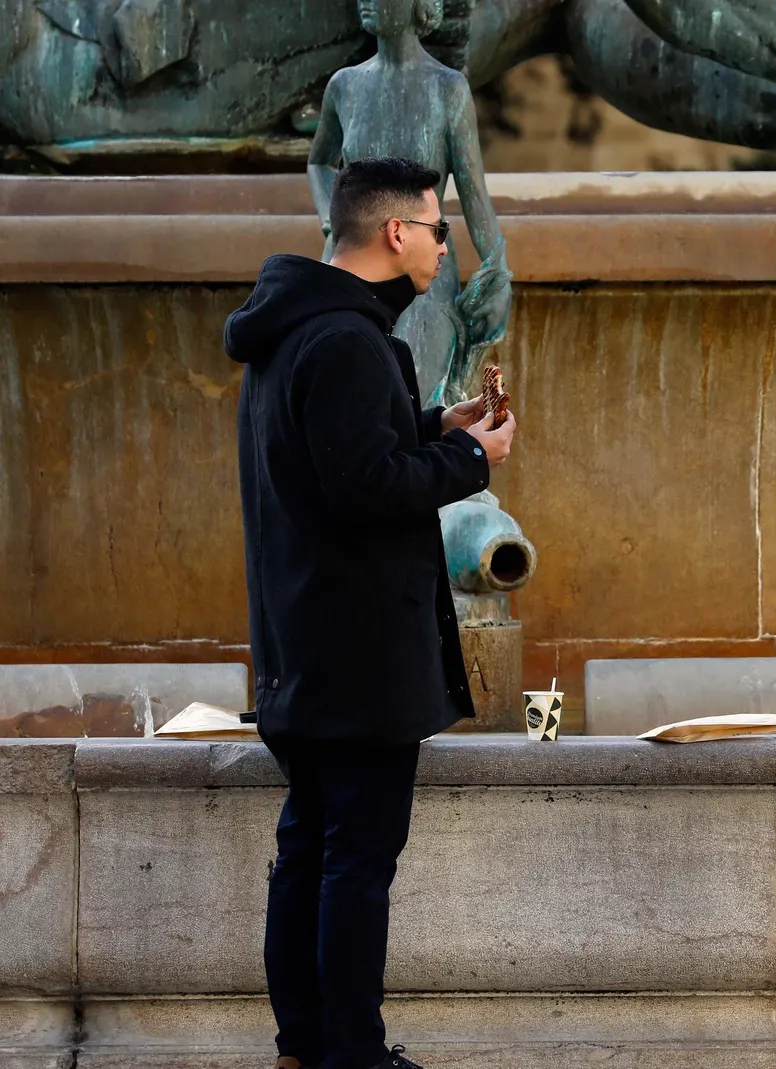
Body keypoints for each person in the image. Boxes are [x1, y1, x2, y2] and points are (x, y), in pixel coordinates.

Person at [224, 156, 518, 1069]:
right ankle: (352, 1052)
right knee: (353, 862)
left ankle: (304, 1048)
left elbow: (341, 453)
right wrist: (475, 463)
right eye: (438, 230)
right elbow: (363, 486)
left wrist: (440, 423)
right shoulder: (346, 340)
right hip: (357, 652)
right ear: (395, 232)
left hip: (302, 644)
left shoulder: (297, 332)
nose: (444, 248)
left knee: (308, 849)